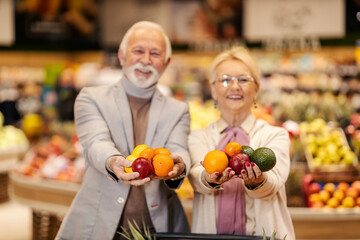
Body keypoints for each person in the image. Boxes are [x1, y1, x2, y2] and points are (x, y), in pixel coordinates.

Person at [56, 21, 191, 240]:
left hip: (158, 227)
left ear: (166, 63)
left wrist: (180, 164)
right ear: (121, 56)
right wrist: (112, 161)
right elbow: (95, 143)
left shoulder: (179, 110)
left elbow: (179, 148)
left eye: (155, 54)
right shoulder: (91, 98)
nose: (146, 60)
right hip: (98, 226)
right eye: (138, 51)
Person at [188, 46, 295, 239]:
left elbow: (275, 182)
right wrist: (207, 178)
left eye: (243, 79)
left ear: (256, 88)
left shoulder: (275, 135)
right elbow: (195, 176)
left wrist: (258, 182)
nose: (235, 86)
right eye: (225, 79)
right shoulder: (199, 137)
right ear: (213, 89)